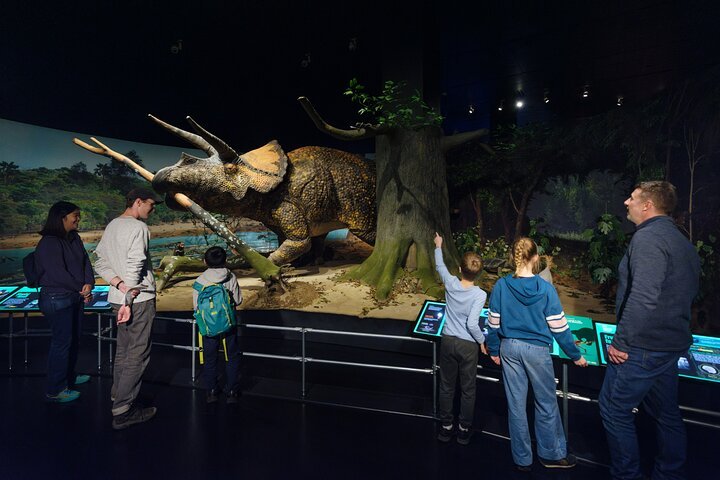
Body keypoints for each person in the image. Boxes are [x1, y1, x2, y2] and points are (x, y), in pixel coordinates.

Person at [599, 181, 700, 480]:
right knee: (666, 415)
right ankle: (670, 474)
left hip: (642, 348)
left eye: (632, 198)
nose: (626, 202)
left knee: (613, 409)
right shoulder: (680, 240)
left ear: (647, 205)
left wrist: (622, 342)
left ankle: (627, 475)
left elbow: (643, 296)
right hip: (669, 346)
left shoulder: (647, 239)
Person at [486, 237, 587, 472]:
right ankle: (551, 454)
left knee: (516, 405)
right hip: (537, 352)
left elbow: (493, 324)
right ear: (536, 258)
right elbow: (560, 328)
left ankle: (522, 459)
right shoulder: (546, 289)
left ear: (513, 257)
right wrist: (575, 355)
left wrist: (494, 349)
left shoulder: (501, 286)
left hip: (509, 348)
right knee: (546, 403)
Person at [94, 187, 162, 430]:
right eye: (151, 204)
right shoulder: (138, 227)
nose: (152, 210)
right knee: (137, 354)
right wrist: (129, 299)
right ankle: (123, 410)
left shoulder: (113, 225)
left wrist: (120, 286)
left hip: (118, 297)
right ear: (138, 202)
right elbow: (136, 264)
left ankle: (118, 395)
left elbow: (100, 263)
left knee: (124, 350)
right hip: (137, 300)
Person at [36, 201, 95, 403]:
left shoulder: (74, 237)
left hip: (74, 296)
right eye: (75, 215)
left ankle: (69, 376)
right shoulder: (49, 242)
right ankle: (55, 389)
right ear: (62, 217)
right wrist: (81, 288)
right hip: (57, 299)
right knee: (61, 343)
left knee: (73, 340)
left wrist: (89, 283)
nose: (78, 219)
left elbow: (85, 262)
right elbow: (58, 274)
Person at [433, 233, 487, 445]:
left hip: (448, 341)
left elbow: (440, 267)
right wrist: (481, 341)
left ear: (459, 269)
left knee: (446, 386)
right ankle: (464, 429)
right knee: (468, 389)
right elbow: (472, 324)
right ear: (479, 274)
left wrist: (439, 246)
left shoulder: (450, 282)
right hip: (468, 346)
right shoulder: (480, 295)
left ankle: (446, 427)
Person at [192, 246, 243, 404]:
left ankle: (212, 391)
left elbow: (196, 307)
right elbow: (238, 300)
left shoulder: (199, 281)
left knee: (210, 358)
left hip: (208, 326)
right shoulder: (230, 277)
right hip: (228, 323)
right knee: (232, 356)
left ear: (205, 261)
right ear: (225, 260)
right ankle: (232, 391)